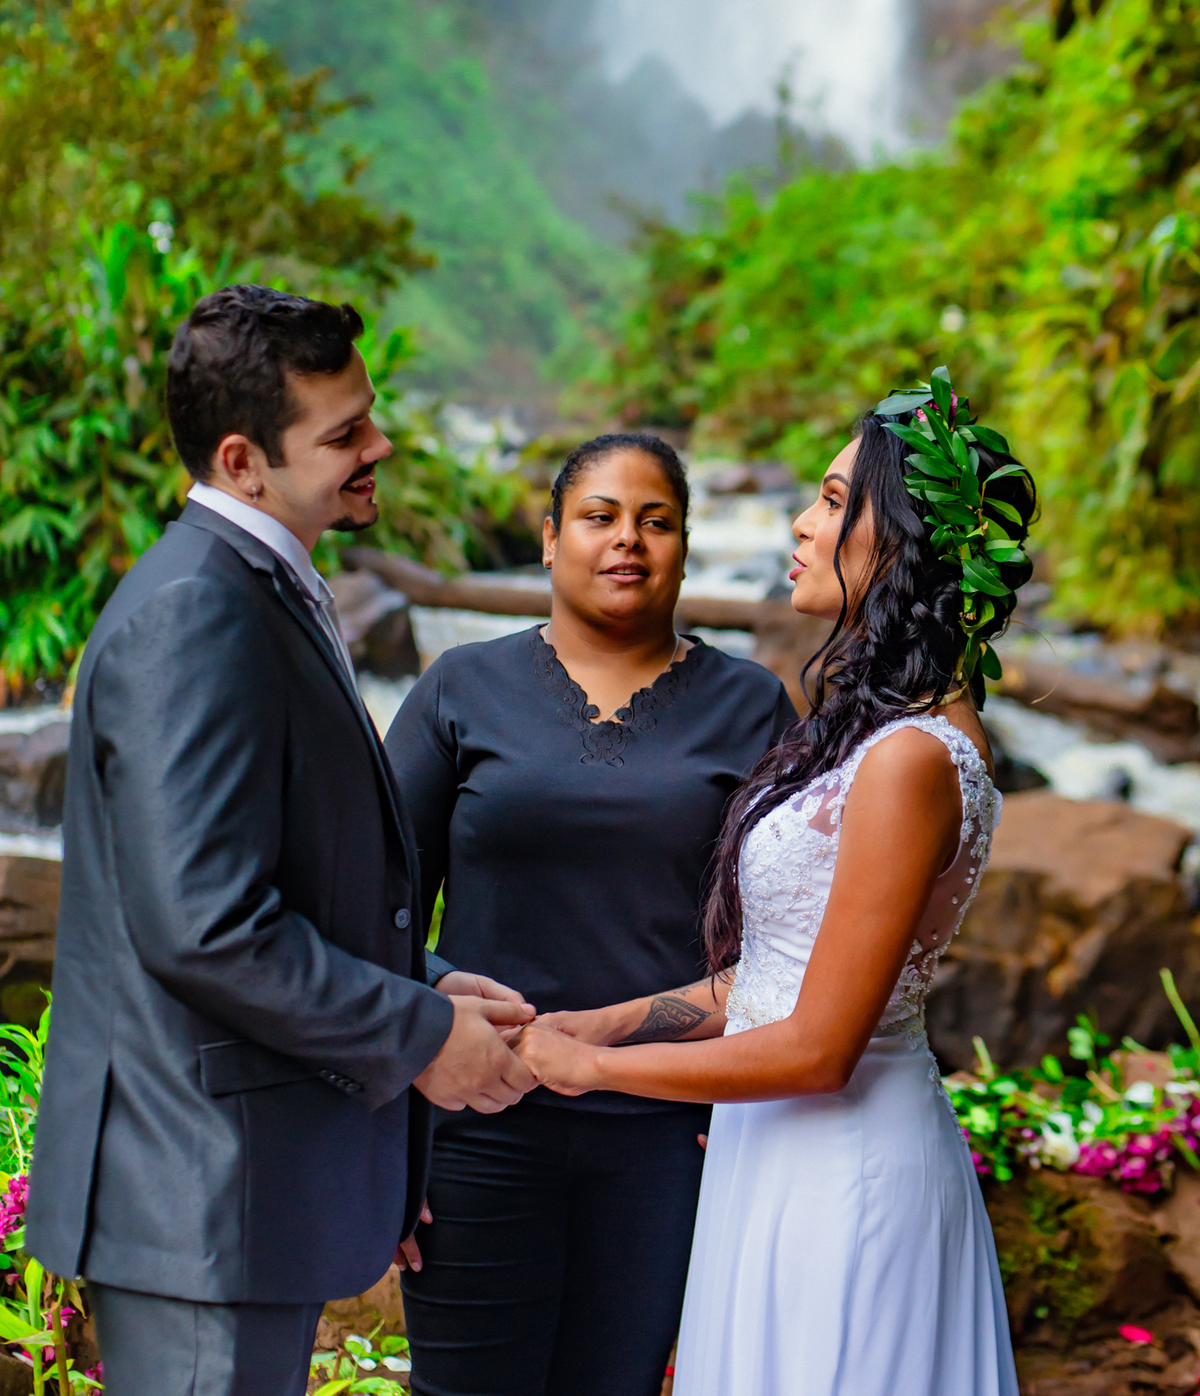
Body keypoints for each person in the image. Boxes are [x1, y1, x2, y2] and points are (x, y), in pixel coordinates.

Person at [25, 285, 537, 1396]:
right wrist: (419, 1034)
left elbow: (281, 878)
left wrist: (433, 983)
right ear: (243, 459)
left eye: (370, 414)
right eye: (344, 432)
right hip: (200, 1190)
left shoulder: (260, 584)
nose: (381, 444)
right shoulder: (194, 611)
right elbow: (207, 928)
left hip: (234, 1188)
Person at [516, 375, 1034, 1396]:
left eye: (837, 500)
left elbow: (816, 1046)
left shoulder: (909, 762)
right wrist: (595, 1023)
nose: (802, 522)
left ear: (907, 540)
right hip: (780, 1159)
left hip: (841, 1178)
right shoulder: (879, 734)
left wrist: (587, 1073)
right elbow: (775, 980)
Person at [384, 431, 797, 1396]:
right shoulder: (459, 687)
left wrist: (743, 1106)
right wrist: (398, 1105)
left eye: (656, 522)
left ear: (686, 546)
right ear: (549, 538)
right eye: (600, 518)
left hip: (665, 1138)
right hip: (476, 1116)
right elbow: (376, 904)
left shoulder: (752, 706)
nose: (628, 542)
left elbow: (783, 945)